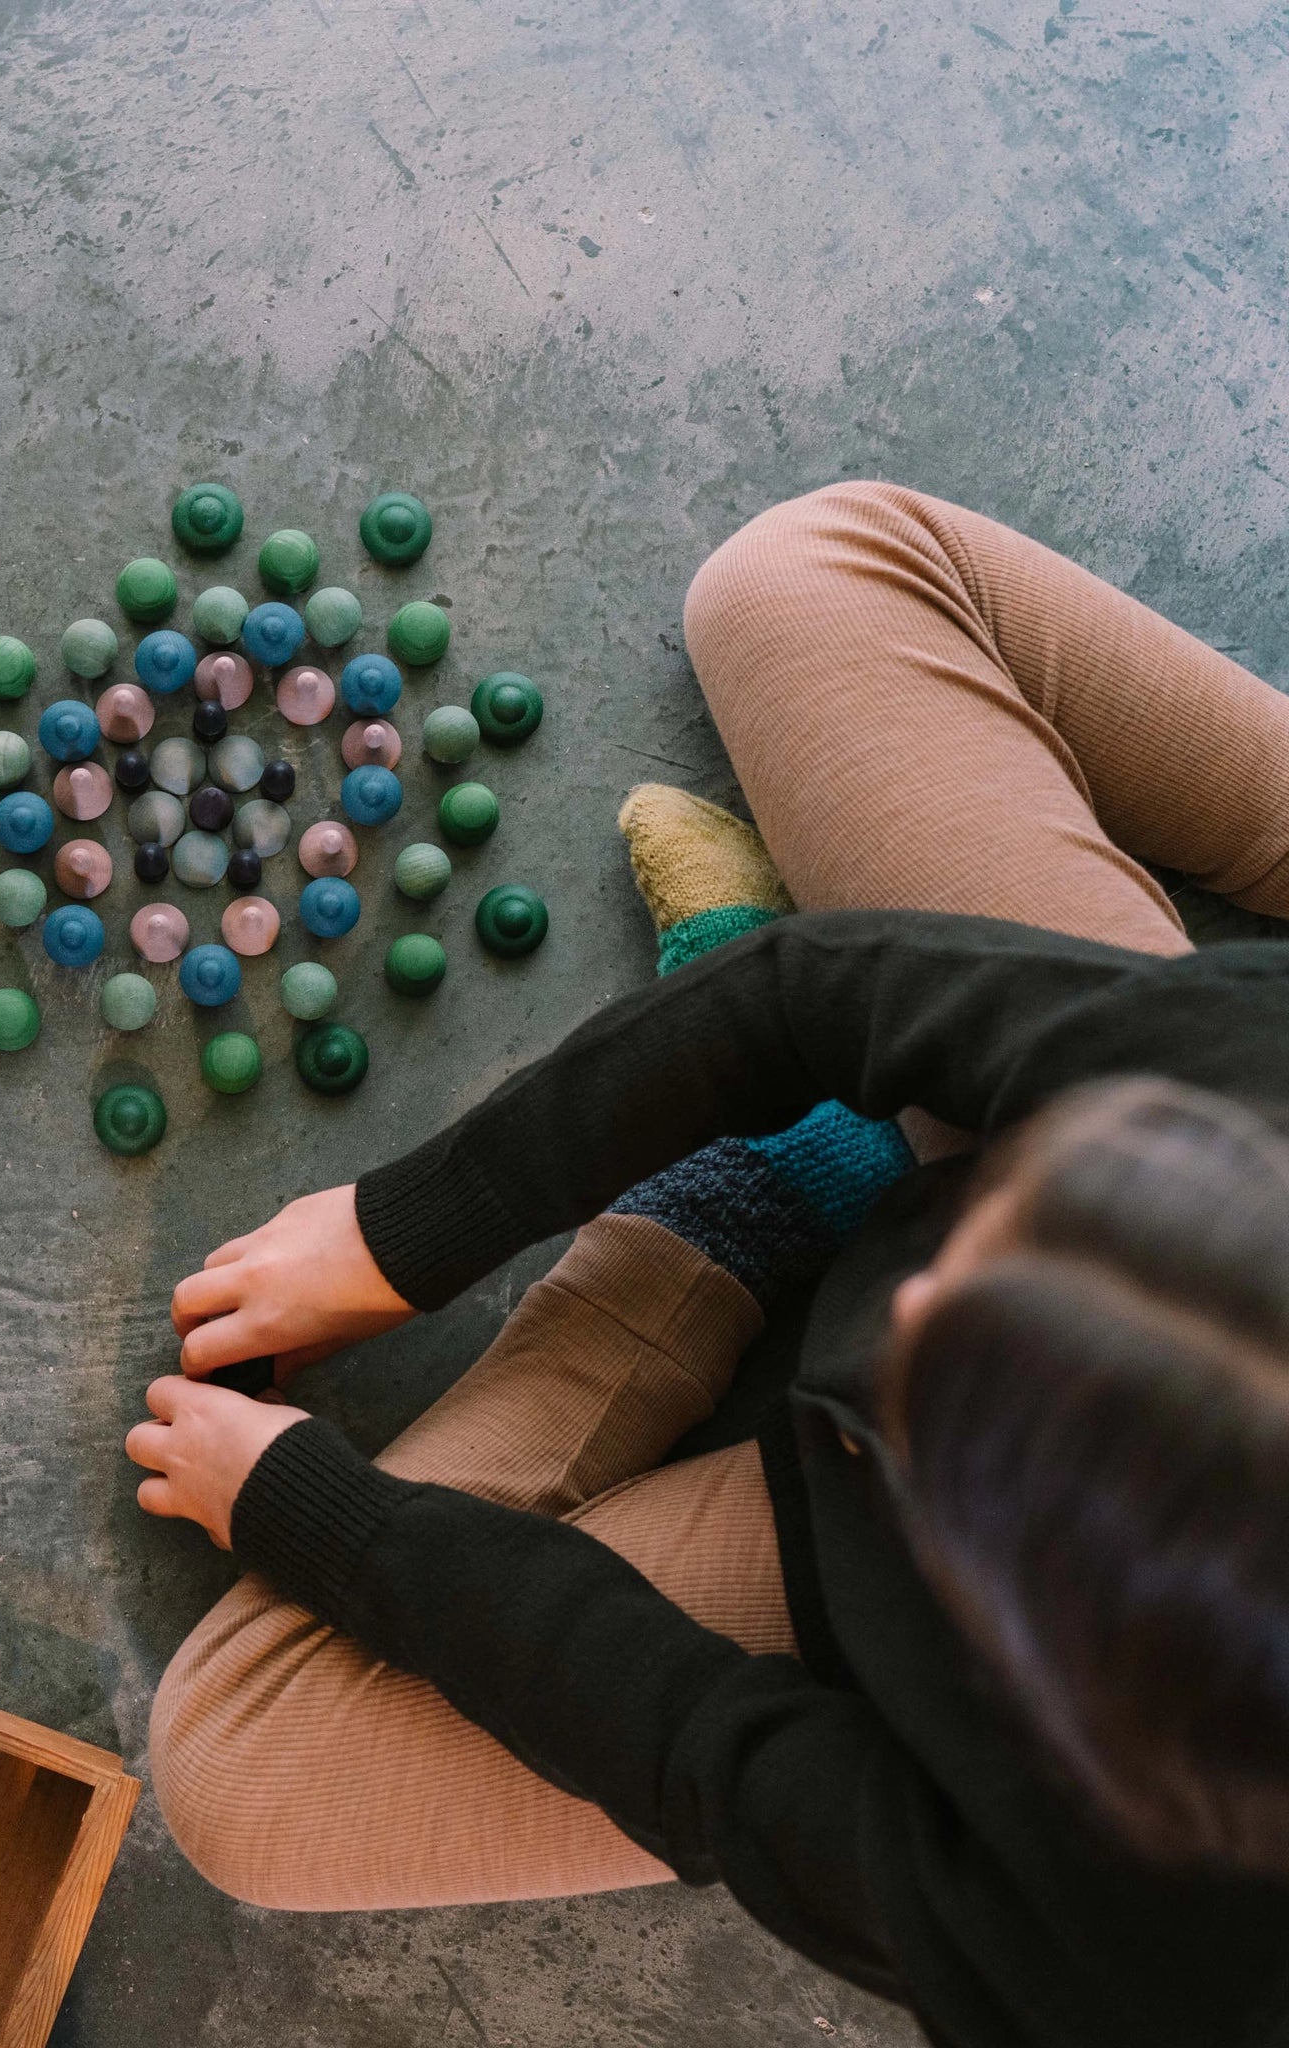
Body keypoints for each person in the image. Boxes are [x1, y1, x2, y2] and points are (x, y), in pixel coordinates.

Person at [124, 483, 1289, 2048]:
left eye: (958, 1386)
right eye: (1031, 1233)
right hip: (1184, 1094)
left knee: (243, 1777)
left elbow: (702, 1747)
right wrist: (417, 1227)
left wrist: (326, 1521)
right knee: (807, 579)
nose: (914, 1295)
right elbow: (824, 992)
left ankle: (736, 1208)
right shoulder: (1235, 1075)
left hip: (896, 1617)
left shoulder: (1124, 1965)